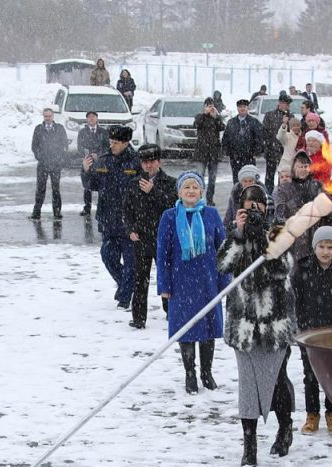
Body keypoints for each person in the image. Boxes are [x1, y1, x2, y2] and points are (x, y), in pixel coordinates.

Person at [217, 186, 297, 467]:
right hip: (244, 324)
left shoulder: (278, 232)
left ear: (267, 207)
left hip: (274, 324)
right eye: (249, 205)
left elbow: (283, 267)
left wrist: (265, 237)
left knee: (276, 380)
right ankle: (249, 444)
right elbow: (223, 264)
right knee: (248, 387)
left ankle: (284, 428)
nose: (254, 210)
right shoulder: (235, 234)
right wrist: (238, 234)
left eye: (259, 205)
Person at [157, 172, 229, 394]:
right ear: (179, 192)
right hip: (182, 283)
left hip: (208, 281)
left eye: (195, 187)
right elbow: (163, 254)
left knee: (207, 327)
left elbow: (224, 251)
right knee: (186, 328)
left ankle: (206, 372)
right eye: (186, 187)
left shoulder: (211, 214)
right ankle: (190, 373)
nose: (190, 191)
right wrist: (164, 286)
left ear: (201, 192)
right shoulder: (169, 217)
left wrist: (225, 281)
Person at [291, 225, 332, 437]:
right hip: (309, 332)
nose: (325, 251)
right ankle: (312, 414)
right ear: (315, 247)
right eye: (322, 246)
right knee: (310, 375)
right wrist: (302, 324)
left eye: (330, 247)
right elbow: (296, 299)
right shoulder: (303, 269)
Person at [83, 125, 141, 309]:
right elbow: (92, 185)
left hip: (129, 222)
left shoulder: (136, 162)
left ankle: (124, 298)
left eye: (116, 143)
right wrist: (85, 171)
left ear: (126, 143)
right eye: (111, 142)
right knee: (108, 256)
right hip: (108, 219)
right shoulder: (104, 160)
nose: (112, 146)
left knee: (131, 262)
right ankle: (127, 285)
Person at [124, 143, 177, 329]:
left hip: (163, 237)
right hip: (141, 237)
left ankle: (170, 310)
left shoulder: (170, 182)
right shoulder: (133, 183)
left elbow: (172, 206)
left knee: (166, 275)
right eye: (145, 162)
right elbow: (127, 210)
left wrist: (153, 191)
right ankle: (138, 317)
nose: (149, 166)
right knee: (140, 278)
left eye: (152, 161)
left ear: (159, 162)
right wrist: (130, 229)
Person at [273, 150, 323, 262]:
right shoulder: (283, 189)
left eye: (306, 166)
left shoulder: (317, 186)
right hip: (295, 243)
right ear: (293, 168)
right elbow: (280, 213)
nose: (304, 170)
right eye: (300, 166)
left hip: (316, 238)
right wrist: (297, 201)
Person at [30, 108, 68, 220]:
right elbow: (34, 146)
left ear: (53, 116)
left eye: (49, 116)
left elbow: (64, 144)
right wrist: (40, 157)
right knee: (40, 189)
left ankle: (57, 212)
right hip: (43, 164)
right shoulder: (38, 129)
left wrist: (59, 158)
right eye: (46, 116)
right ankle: (36, 212)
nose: (48, 118)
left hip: (56, 164)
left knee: (56, 189)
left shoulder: (59, 128)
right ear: (43, 117)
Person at [222, 99, 263, 184]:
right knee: (237, 180)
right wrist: (227, 151)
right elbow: (226, 138)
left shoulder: (254, 122)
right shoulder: (231, 122)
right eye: (240, 107)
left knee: (249, 178)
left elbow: (259, 138)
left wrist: (257, 152)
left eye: (244, 107)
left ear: (247, 108)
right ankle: (237, 195)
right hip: (235, 156)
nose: (242, 109)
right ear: (237, 108)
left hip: (249, 156)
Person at [193, 97, 225, 205]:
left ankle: (210, 199)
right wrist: (204, 114)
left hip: (213, 153)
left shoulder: (216, 118)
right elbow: (196, 125)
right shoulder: (199, 117)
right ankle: (198, 197)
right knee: (199, 176)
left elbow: (222, 127)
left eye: (211, 106)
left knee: (212, 178)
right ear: (204, 107)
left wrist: (216, 117)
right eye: (208, 106)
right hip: (201, 151)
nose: (210, 108)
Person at [76, 111, 109, 216]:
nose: (91, 119)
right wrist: (89, 155)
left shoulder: (103, 132)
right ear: (86, 119)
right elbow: (80, 147)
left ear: (97, 118)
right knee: (87, 185)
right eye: (89, 117)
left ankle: (102, 207)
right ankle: (87, 207)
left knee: (102, 185)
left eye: (93, 117)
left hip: (101, 163)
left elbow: (107, 146)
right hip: (88, 161)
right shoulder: (82, 132)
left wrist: (99, 155)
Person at [262, 93, 292, 195]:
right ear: (280, 103)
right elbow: (264, 132)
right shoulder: (270, 115)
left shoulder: (290, 117)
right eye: (285, 104)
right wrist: (267, 146)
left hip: (284, 152)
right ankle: (268, 197)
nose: (287, 106)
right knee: (269, 177)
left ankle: (282, 195)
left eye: (288, 104)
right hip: (271, 150)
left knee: (283, 176)